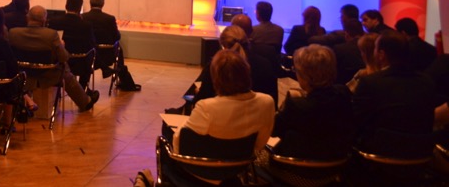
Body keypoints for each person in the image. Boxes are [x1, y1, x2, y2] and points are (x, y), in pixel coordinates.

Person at [259, 45, 354, 185]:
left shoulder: (297, 104)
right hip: (334, 169)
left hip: (296, 172)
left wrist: (288, 102)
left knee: (256, 154)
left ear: (305, 76)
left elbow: (273, 131)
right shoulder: (343, 93)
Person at [174, 49, 274, 154]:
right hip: (245, 160)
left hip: (207, 162)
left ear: (215, 79)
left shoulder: (207, 107)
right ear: (247, 73)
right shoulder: (267, 102)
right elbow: (260, 143)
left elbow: (180, 142)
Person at [352, 32, 436, 155]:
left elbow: (357, 121)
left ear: (381, 55)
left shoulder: (370, 82)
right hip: (420, 153)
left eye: (375, 49)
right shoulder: (427, 81)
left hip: (378, 154)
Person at [9, 5, 99, 112]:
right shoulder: (51, 35)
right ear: (44, 20)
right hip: (48, 75)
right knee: (65, 69)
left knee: (64, 69)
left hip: (23, 75)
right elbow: (64, 57)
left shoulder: (13, 33)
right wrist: (62, 46)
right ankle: (85, 102)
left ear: (27, 17)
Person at [48, 0, 96, 89]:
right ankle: (82, 88)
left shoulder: (54, 21)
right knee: (91, 53)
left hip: (59, 62)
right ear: (80, 8)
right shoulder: (86, 25)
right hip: (80, 63)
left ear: (66, 6)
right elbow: (91, 44)